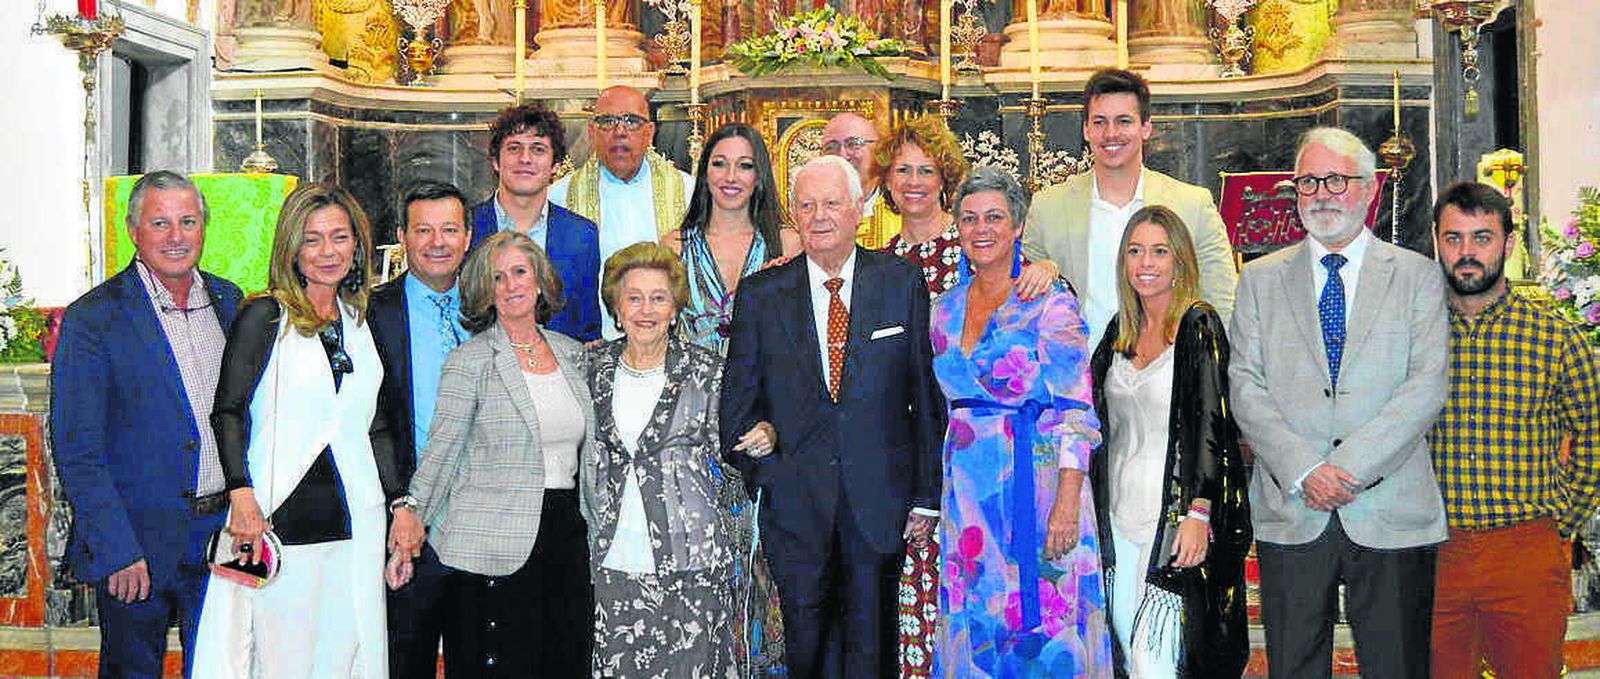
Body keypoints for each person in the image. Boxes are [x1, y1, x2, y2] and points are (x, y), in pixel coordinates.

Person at [1229, 127, 1448, 677]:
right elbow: (1245, 387)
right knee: (1295, 666)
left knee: (1397, 666)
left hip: (1392, 508)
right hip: (1293, 509)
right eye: (1308, 181)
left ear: (1369, 190)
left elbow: (1425, 386)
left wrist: (1345, 468)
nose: (1322, 193)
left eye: (1337, 180)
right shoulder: (1258, 280)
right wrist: (1306, 470)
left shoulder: (1418, 277)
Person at [719, 155, 946, 678]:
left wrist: (924, 497)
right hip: (795, 508)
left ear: (860, 210)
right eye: (806, 204)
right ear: (793, 214)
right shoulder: (761, 294)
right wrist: (770, 476)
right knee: (806, 652)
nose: (819, 215)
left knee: (873, 652)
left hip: (880, 505)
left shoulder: (901, 282)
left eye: (832, 203)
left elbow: (924, 398)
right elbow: (735, 409)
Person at [192, 182, 403, 677]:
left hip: (358, 521)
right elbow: (227, 410)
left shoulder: (357, 319)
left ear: (357, 246)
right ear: (291, 247)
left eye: (339, 237)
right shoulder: (266, 316)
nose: (327, 251)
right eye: (312, 239)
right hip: (278, 521)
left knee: (348, 654)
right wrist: (241, 495)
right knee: (280, 660)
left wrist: (400, 503)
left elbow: (373, 425)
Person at [51, 170, 244, 678]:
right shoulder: (94, 318)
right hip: (136, 545)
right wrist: (117, 549)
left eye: (187, 221)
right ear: (134, 230)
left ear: (204, 226)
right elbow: (77, 449)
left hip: (220, 535)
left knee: (221, 668)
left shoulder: (231, 302)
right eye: (160, 223)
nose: (176, 237)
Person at [929, 166, 1113, 677]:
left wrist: (1067, 502)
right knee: (977, 620)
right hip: (967, 495)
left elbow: (1076, 410)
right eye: (968, 219)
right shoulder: (942, 311)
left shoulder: (1050, 303)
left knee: (1045, 628)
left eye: (994, 217)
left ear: (1017, 226)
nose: (980, 229)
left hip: (1038, 485)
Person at [387, 231, 597, 677]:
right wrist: (411, 518)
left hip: (566, 538)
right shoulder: (470, 361)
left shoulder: (574, 356)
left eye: (519, 272)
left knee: (565, 662)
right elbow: (442, 451)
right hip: (490, 545)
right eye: (497, 278)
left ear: (540, 281)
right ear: (486, 292)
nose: (510, 286)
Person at [1428, 181, 1600, 678]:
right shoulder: (1412, 331)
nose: (1467, 254)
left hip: (1525, 549)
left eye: (1482, 238)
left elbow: (1594, 430)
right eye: (1453, 238)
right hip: (1436, 551)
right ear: (1435, 243)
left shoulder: (1553, 335)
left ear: (1508, 243)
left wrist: (1560, 523)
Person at [1087, 205, 1251, 677]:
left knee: (1155, 661)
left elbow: (1213, 426)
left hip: (1175, 522)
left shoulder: (1199, 325)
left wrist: (1199, 513)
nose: (1146, 262)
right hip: (1117, 517)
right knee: (1124, 655)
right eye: (1135, 251)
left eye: (1160, 251)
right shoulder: (1119, 331)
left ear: (1180, 260)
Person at [587, 242, 737, 677]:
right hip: (612, 558)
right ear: (616, 307)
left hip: (692, 560)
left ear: (675, 307)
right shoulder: (589, 367)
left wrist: (763, 435)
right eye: (633, 298)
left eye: (658, 298)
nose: (646, 310)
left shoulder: (709, 373)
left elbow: (734, 455)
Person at [1022, 68, 1237, 347]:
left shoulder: (1192, 206)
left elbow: (1223, 304)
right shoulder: (1047, 208)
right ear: (1086, 129)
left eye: (1124, 121)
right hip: (1076, 377)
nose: (1111, 134)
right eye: (1099, 122)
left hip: (1168, 376)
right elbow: (1023, 304)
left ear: (1146, 127)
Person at [369, 182, 471, 679]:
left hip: (481, 524)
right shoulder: (370, 313)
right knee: (404, 660)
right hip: (407, 522)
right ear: (402, 238)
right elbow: (370, 422)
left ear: (468, 237)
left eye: (449, 229)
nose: (437, 242)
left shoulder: (491, 308)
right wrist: (399, 502)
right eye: (423, 230)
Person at [551, 85, 694, 338]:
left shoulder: (688, 192)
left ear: (649, 132)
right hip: (591, 345)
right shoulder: (559, 198)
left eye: (631, 121)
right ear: (592, 132)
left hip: (669, 346)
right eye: (608, 121)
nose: (620, 132)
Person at [470, 102, 602, 342]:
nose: (525, 159)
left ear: (555, 166)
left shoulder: (582, 235)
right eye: (514, 148)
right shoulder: (466, 228)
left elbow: (587, 330)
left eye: (538, 149)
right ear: (495, 162)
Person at [663, 122, 800, 354]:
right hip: (693, 386)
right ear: (705, 172)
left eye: (745, 166)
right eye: (719, 164)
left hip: (767, 387)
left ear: (759, 175)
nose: (730, 177)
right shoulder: (675, 247)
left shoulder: (788, 244)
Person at [873, 114, 970, 297]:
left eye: (926, 171)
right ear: (887, 179)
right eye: (903, 170)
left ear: (944, 179)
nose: (914, 181)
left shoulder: (975, 243)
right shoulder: (881, 263)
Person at [819, 112, 891, 248]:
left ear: (878, 151)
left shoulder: (902, 212)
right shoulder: (812, 215)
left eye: (853, 144)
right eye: (831, 147)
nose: (842, 156)